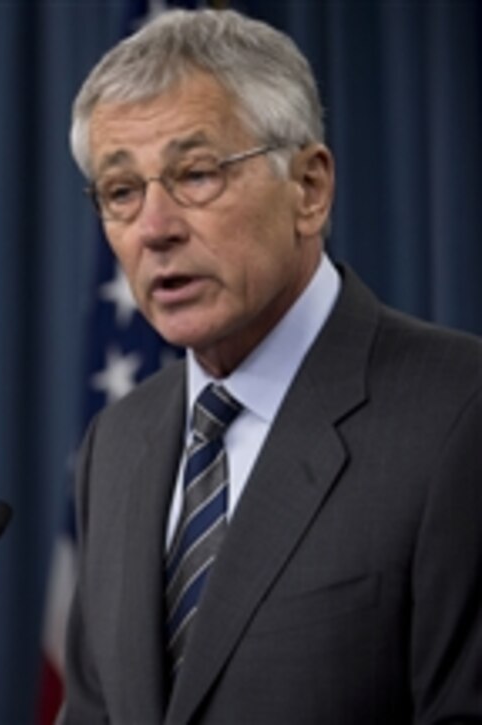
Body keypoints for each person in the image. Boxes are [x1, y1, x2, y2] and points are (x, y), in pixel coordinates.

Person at [62, 9, 482, 724]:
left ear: (309, 188)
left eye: (195, 173)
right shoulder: (117, 441)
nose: (154, 228)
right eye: (122, 191)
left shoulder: (458, 410)